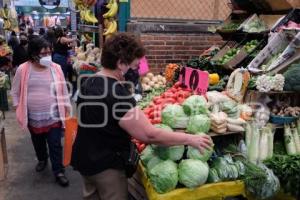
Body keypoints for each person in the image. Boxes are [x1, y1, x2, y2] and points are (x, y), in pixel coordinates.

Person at [71, 33, 213, 200]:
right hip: (106, 167)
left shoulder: (89, 81)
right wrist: (189, 139)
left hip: (84, 159)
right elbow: (149, 134)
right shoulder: (117, 93)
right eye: (134, 66)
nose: (136, 71)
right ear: (120, 63)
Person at [11, 37, 71, 187]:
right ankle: (42, 159)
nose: (47, 56)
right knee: (38, 142)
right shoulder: (23, 69)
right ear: (33, 54)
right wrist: (17, 106)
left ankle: (59, 171)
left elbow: (63, 89)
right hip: (33, 117)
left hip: (54, 116)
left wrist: (67, 109)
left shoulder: (56, 68)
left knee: (55, 144)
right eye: (43, 54)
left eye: (49, 52)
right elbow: (15, 91)